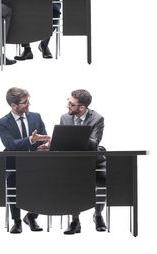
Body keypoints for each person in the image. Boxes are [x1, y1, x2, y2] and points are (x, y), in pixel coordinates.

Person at [0, 87, 51, 234]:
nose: (28, 105)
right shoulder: (2, 122)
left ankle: (31, 216)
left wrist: (45, 145)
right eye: (25, 102)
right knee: (13, 184)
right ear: (13, 105)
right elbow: (10, 145)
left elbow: (43, 137)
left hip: (36, 163)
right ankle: (17, 221)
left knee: (47, 182)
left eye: (28, 101)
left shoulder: (36, 117)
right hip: (15, 163)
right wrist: (31, 140)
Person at [60, 89, 106, 234]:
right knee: (71, 182)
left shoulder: (97, 119)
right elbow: (63, 142)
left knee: (103, 180)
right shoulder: (64, 118)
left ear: (82, 108)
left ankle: (98, 215)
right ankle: (75, 221)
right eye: (68, 101)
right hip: (72, 162)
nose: (68, 105)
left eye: (71, 104)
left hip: (94, 160)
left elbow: (94, 143)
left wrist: (73, 137)